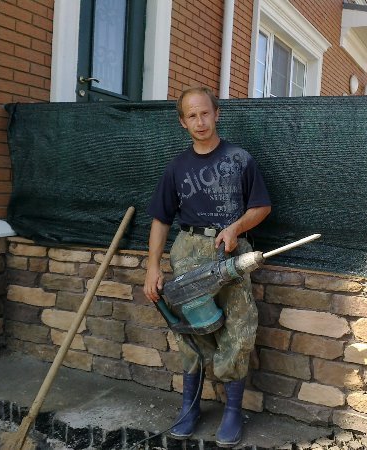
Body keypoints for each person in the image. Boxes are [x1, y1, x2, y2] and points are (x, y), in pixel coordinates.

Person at [144, 86, 271, 447]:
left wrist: (236, 228)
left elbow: (262, 207)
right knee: (192, 330)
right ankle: (190, 407)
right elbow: (160, 220)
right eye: (192, 116)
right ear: (182, 122)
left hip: (231, 251)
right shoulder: (176, 167)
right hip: (188, 250)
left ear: (216, 114)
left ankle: (232, 412)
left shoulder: (240, 159)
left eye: (205, 113)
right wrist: (153, 266)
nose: (200, 121)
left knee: (238, 328)